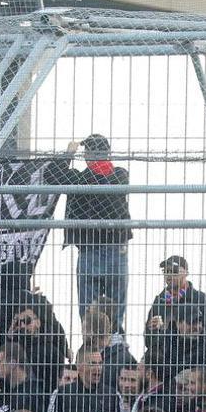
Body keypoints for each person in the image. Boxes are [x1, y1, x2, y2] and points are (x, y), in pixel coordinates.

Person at [48, 134, 132, 320]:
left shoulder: (81, 179)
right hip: (116, 248)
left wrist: (69, 154)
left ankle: (92, 336)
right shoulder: (120, 175)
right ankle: (114, 336)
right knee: (116, 312)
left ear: (86, 154)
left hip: (89, 248)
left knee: (88, 312)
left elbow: (51, 174)